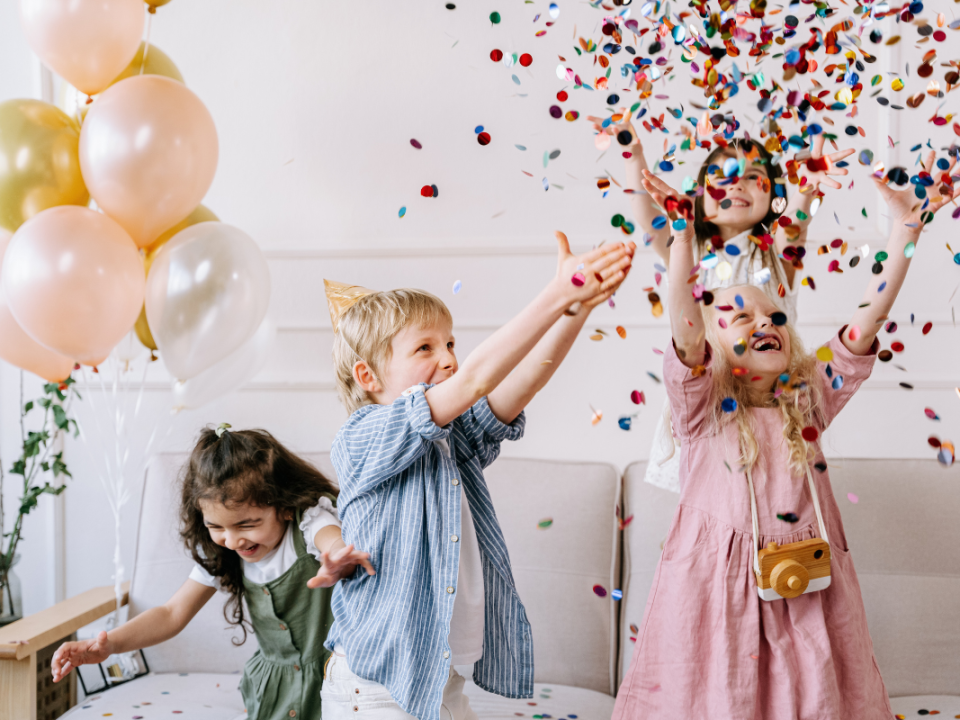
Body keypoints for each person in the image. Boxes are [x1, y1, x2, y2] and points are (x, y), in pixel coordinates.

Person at [612, 154, 959, 719]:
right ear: (710, 343)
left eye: (775, 317)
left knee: (813, 698)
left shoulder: (808, 400)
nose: (765, 323)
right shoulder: (701, 411)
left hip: (809, 594)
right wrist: (680, 242)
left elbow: (866, 322)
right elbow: (684, 324)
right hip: (715, 599)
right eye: (742, 317)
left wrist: (906, 232)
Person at [319, 235, 634, 720]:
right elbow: (473, 381)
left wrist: (575, 311)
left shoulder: (448, 439)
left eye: (449, 343)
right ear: (368, 377)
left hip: (441, 678)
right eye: (425, 347)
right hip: (378, 686)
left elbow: (518, 383)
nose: (447, 358)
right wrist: (557, 293)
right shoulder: (362, 437)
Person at [591, 111, 852, 492]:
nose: (737, 185)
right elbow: (645, 214)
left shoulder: (777, 253)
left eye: (751, 177)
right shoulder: (689, 250)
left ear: (773, 195)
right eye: (723, 178)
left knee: (772, 500)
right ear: (699, 200)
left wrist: (808, 190)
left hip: (769, 406)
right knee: (708, 512)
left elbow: (797, 222)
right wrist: (633, 148)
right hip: (707, 406)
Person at [51, 426, 374, 720]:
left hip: (335, 681)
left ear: (284, 505)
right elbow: (171, 613)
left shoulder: (308, 520)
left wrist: (336, 555)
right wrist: (110, 645)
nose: (232, 540)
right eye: (215, 527)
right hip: (272, 690)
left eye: (247, 524)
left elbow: (330, 538)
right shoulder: (222, 553)